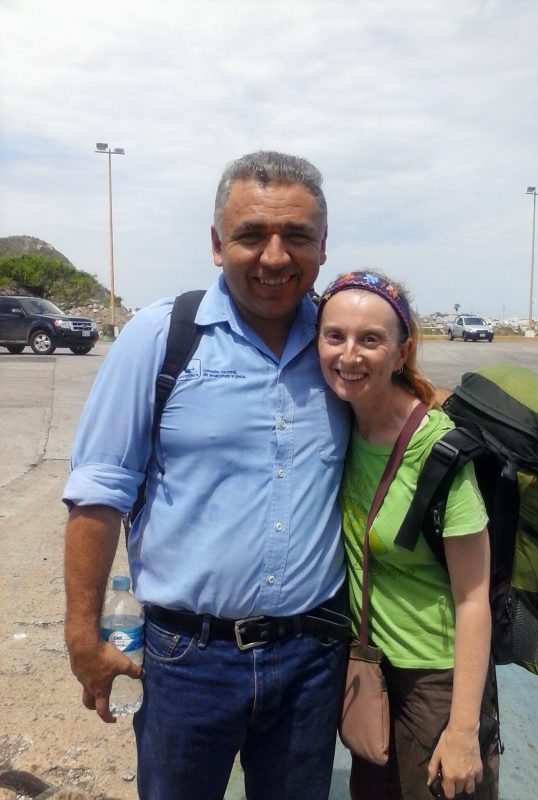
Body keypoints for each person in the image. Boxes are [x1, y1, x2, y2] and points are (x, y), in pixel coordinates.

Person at [62, 151, 352, 800]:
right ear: (218, 245)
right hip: (189, 661)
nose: (275, 257)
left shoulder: (342, 348)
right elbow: (98, 494)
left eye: (297, 236)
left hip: (312, 657)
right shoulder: (160, 337)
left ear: (323, 246)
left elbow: (404, 417)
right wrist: (82, 634)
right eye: (252, 235)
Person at [317, 271, 500, 800]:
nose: (350, 354)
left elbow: (472, 598)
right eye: (336, 337)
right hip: (371, 667)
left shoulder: (437, 453)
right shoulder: (339, 422)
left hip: (436, 680)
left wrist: (463, 729)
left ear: (401, 353)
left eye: (370, 340)